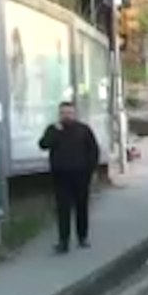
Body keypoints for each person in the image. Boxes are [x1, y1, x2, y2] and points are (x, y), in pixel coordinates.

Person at [39, 101, 101, 254]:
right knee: (63, 210)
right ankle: (63, 241)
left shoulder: (83, 130)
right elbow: (43, 145)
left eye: (69, 113)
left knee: (81, 207)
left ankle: (82, 237)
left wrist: (90, 170)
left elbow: (93, 150)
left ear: (75, 114)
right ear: (59, 114)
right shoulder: (53, 129)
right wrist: (54, 132)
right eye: (63, 113)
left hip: (81, 175)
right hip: (61, 176)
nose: (66, 116)